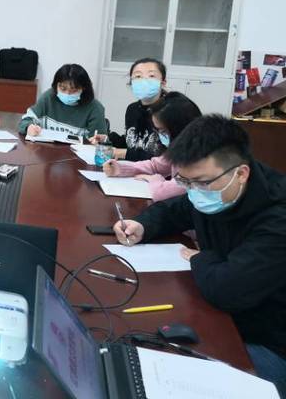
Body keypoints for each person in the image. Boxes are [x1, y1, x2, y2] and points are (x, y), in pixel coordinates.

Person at [113, 115, 286, 389]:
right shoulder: (216, 189)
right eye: (186, 181)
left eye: (201, 182)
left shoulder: (277, 218)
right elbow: (175, 210)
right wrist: (142, 225)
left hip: (266, 342)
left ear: (241, 173)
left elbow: (227, 290)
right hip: (220, 316)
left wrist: (202, 258)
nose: (193, 191)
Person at [102, 92, 201, 201]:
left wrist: (154, 179)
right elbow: (156, 165)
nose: (160, 135)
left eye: (162, 131)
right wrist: (121, 168)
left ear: (178, 128)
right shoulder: (181, 148)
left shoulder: (199, 158)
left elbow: (161, 192)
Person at [93, 57, 168, 160]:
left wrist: (124, 154)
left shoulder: (172, 110)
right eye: (138, 76)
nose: (144, 80)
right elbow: (132, 144)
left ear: (163, 82)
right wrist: (106, 139)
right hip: (131, 168)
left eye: (151, 76)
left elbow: (168, 159)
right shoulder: (133, 109)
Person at [18, 63, 107, 138]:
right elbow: (25, 121)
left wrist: (97, 142)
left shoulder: (95, 108)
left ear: (84, 89)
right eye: (63, 88)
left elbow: (101, 142)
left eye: (74, 90)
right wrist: (29, 127)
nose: (67, 93)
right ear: (56, 85)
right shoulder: (48, 98)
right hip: (47, 151)